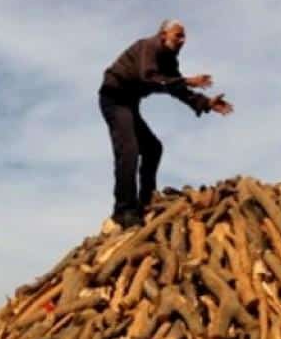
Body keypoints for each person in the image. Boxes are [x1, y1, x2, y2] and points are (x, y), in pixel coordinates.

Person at [99, 19, 233, 228]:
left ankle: (146, 201)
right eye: (178, 35)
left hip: (130, 104)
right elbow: (148, 77)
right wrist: (187, 80)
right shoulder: (148, 47)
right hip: (114, 99)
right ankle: (123, 210)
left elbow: (178, 90)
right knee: (129, 150)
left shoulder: (170, 62)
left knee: (153, 148)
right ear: (163, 35)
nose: (183, 40)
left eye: (184, 37)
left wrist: (206, 102)